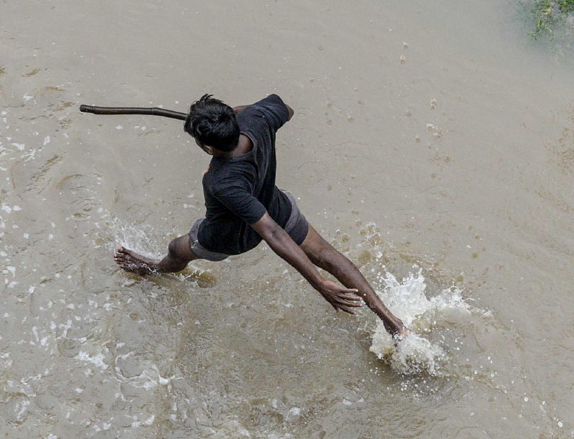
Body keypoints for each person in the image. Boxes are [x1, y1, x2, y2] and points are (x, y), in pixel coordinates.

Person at [114, 93, 406, 337]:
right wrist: (242, 112)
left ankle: (155, 268)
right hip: (275, 205)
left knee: (176, 249)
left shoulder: (222, 180)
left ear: (207, 148)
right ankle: (390, 320)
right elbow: (286, 109)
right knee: (326, 255)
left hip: (230, 235)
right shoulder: (259, 119)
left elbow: (271, 233)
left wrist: (320, 284)